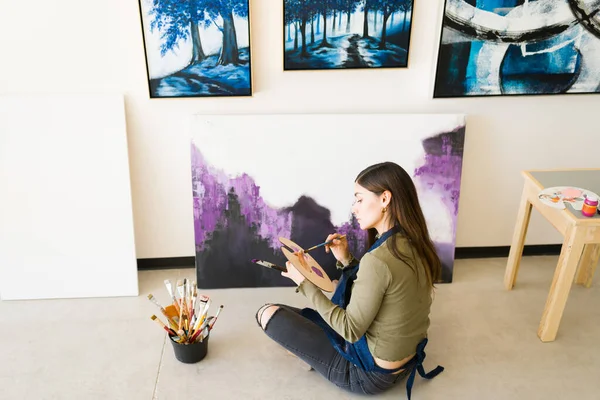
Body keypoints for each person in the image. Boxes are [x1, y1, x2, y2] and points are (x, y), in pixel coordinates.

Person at [255, 162, 444, 397]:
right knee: (317, 305)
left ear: (385, 199)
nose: (354, 208)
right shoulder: (414, 243)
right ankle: (312, 351)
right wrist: (346, 259)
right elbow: (380, 286)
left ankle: (313, 355)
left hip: (368, 375)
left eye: (360, 199)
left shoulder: (379, 260)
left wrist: (304, 283)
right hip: (405, 361)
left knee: (267, 313)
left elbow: (350, 330)